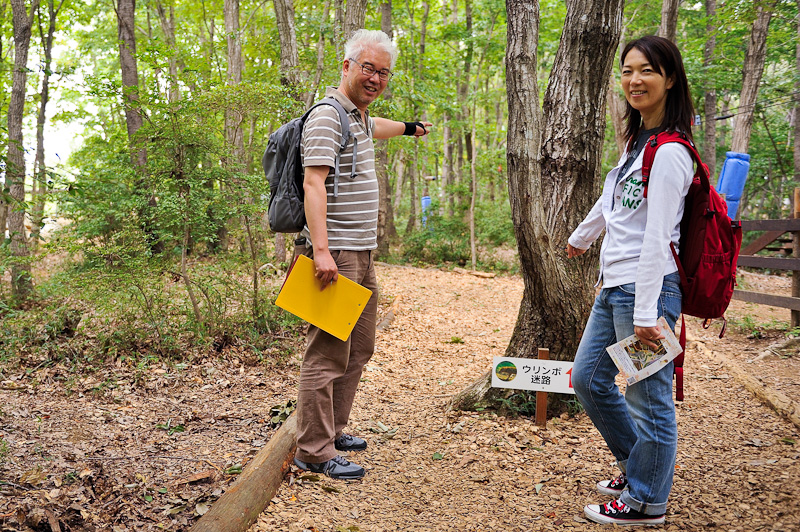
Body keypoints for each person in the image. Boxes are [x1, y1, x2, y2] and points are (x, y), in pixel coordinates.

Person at [566, 35, 695, 525]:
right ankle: (637, 467)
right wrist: (582, 236)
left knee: (648, 398)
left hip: (649, 292)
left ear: (670, 79)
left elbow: (659, 236)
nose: (635, 80)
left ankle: (647, 501)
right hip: (615, 284)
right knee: (588, 380)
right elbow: (614, 202)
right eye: (628, 71)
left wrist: (646, 315)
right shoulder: (637, 141)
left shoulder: (670, 153)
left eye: (647, 71)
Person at [292, 29, 431, 480]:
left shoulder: (358, 117)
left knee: (360, 345)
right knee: (328, 352)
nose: (375, 78)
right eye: (367, 68)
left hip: (361, 252)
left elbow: (381, 127)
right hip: (336, 254)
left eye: (383, 72)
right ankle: (313, 449)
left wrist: (410, 128)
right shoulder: (329, 116)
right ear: (347, 66)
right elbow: (314, 183)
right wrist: (322, 251)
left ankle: (332, 431)